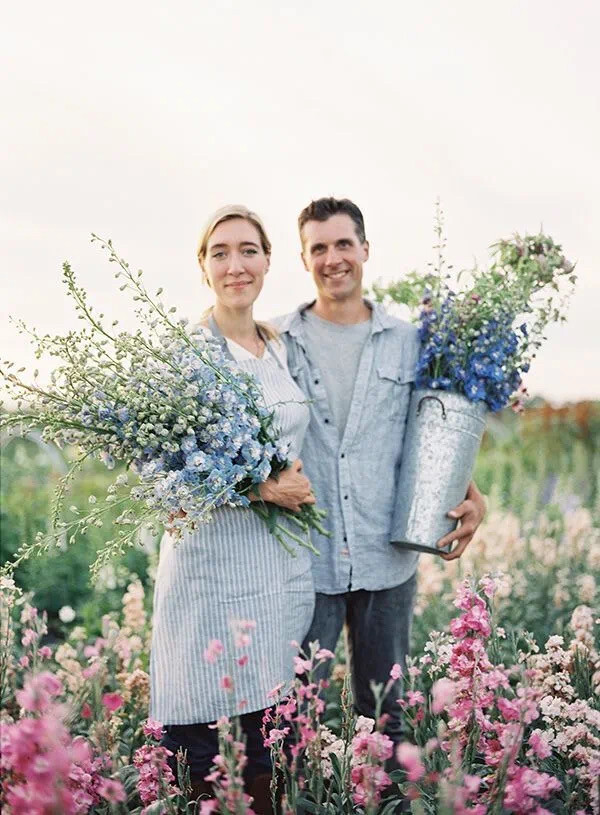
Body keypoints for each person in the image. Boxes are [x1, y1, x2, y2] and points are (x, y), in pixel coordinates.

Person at [276, 197, 486, 756]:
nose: (333, 258)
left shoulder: (411, 342)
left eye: (343, 244)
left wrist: (473, 496)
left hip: (385, 555)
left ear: (365, 249)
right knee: (300, 724)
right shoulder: (275, 343)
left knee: (387, 716)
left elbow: (438, 436)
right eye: (318, 248)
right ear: (303, 259)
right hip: (308, 559)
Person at [150, 205, 315, 810]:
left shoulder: (275, 346)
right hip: (209, 571)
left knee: (264, 745)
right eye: (219, 252)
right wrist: (261, 490)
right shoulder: (185, 357)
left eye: (248, 250)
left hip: (273, 571)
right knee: (205, 746)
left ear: (268, 261)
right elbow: (162, 474)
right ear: (203, 268)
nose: (235, 264)